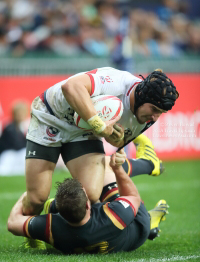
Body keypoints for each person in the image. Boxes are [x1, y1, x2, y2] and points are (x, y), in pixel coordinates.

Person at [22, 67, 178, 247]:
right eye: (154, 109)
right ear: (142, 96)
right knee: (36, 199)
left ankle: (55, 212)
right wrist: (98, 124)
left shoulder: (147, 118)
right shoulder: (117, 82)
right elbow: (70, 87)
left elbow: (120, 141)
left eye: (161, 112)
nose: (155, 117)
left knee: (91, 194)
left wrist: (115, 137)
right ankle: (31, 235)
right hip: (50, 116)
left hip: (82, 131)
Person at [7, 149, 169, 254]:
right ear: (87, 204)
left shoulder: (51, 227)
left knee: (52, 205)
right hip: (136, 227)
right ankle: (150, 163)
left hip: (97, 235)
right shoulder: (114, 215)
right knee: (105, 164)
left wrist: (30, 194)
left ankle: (54, 204)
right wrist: (118, 169)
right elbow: (133, 197)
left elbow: (13, 222)